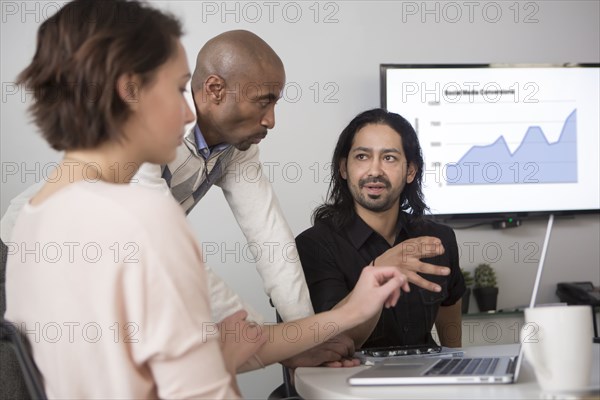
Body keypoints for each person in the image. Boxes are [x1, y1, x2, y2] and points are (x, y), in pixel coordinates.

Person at [5, 1, 407, 398]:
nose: (187, 112)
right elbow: (214, 325)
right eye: (180, 88)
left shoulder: (53, 212)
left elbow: (269, 239)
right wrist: (318, 329)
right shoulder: (136, 213)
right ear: (130, 91)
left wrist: (313, 330)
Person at [296, 108, 466, 349]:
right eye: (362, 157)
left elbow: (450, 304)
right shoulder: (314, 246)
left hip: (424, 382)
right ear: (344, 168)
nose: (375, 171)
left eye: (389, 158)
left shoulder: (438, 238)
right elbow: (331, 343)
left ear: (410, 171)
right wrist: (378, 271)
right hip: (351, 383)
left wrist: (456, 369)